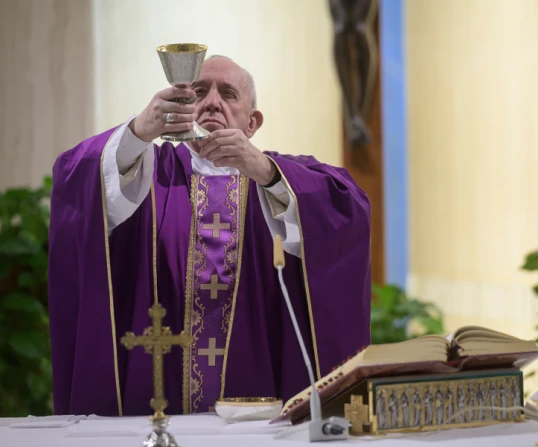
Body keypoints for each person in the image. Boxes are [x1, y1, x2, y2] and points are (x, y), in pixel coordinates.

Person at [48, 55, 372, 417]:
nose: (212, 102)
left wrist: (265, 171)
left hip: (258, 410)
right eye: (199, 92)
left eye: (228, 93)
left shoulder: (277, 179)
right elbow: (75, 177)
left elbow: (348, 210)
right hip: (156, 404)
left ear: (252, 122)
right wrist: (139, 130)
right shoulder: (144, 175)